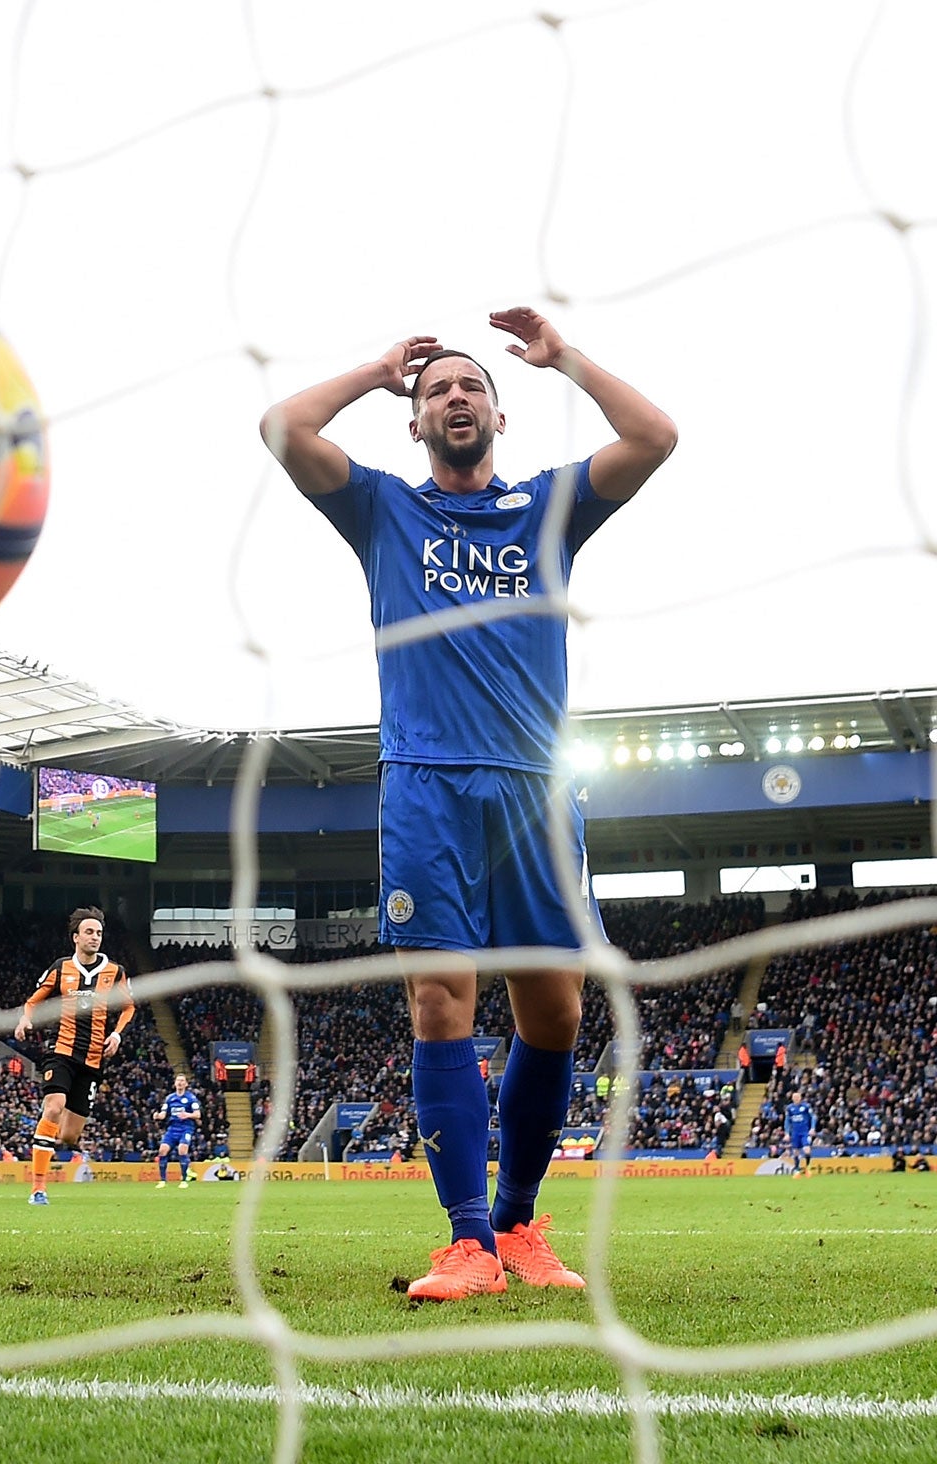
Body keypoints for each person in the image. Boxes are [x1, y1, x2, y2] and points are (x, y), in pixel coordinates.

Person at [262, 310, 676, 1301]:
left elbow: (654, 437)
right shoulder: (381, 512)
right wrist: (373, 371)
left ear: (498, 412)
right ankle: (464, 1246)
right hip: (426, 785)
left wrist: (563, 355)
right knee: (437, 1002)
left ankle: (518, 1223)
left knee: (554, 1012)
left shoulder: (546, 508)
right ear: (412, 422)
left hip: (535, 789)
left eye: (469, 387)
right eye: (435, 390)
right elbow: (282, 429)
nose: (453, 396)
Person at [12, 906, 134, 1205]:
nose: (95, 937)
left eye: (99, 933)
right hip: (62, 1051)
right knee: (54, 1106)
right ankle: (38, 1189)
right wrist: (25, 1019)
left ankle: (48, 1134)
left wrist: (116, 1033)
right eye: (90, 932)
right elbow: (32, 1001)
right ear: (76, 937)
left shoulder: (114, 971)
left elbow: (129, 1007)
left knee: (68, 1138)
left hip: (92, 1060)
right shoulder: (61, 967)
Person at [155, 1071, 202, 1189]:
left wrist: (187, 1115)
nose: (180, 1083)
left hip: (186, 1128)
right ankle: (162, 1181)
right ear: (175, 1083)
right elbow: (163, 1114)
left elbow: (197, 1114)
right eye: (178, 1081)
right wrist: (157, 1116)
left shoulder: (191, 1098)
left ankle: (184, 1179)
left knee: (182, 1150)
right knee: (162, 1151)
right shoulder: (170, 1098)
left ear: (186, 1084)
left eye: (182, 1081)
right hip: (172, 1129)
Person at [785, 1090, 816, 1174]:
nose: (796, 1099)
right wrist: (787, 1133)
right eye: (794, 1097)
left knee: (807, 1150)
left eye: (797, 1097)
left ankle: (808, 1167)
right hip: (795, 1133)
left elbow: (813, 1117)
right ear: (792, 1098)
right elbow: (787, 1121)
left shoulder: (806, 1106)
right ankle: (797, 1168)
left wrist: (812, 1128)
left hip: (805, 1132)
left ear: (800, 1098)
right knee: (795, 1152)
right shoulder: (789, 1108)